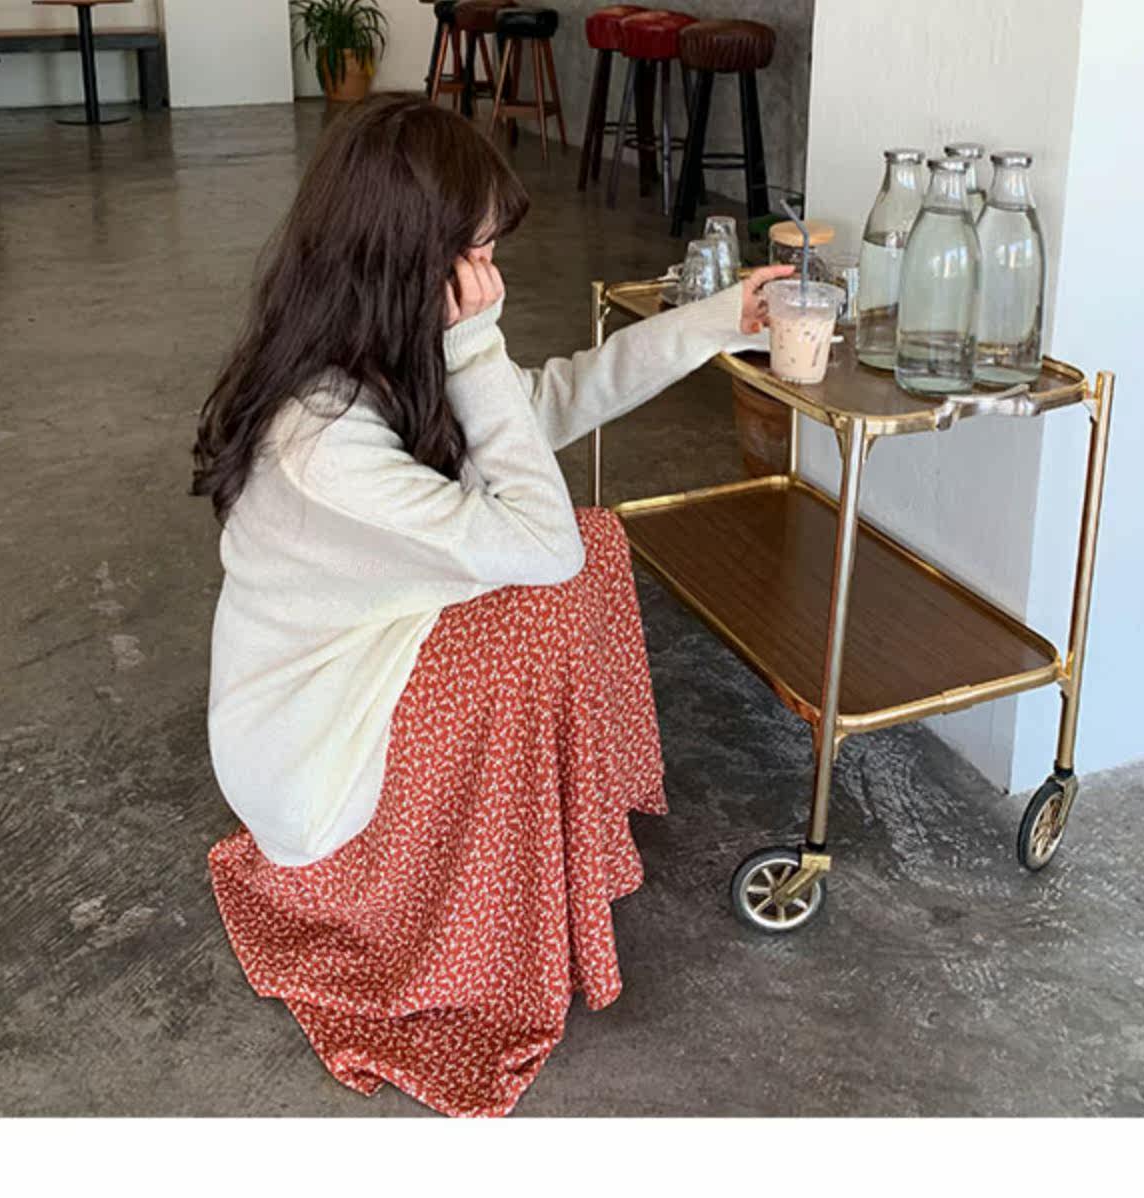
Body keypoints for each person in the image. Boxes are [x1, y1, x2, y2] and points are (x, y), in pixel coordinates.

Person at [192, 94, 791, 1117]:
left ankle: (572, 835)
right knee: (545, 599)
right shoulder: (325, 443)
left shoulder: (376, 350)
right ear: (407, 262)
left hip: (366, 665)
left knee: (594, 548)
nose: (493, 280)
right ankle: (481, 910)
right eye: (473, 256)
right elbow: (542, 545)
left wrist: (718, 319)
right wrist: (476, 351)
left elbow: (546, 402)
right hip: (313, 758)